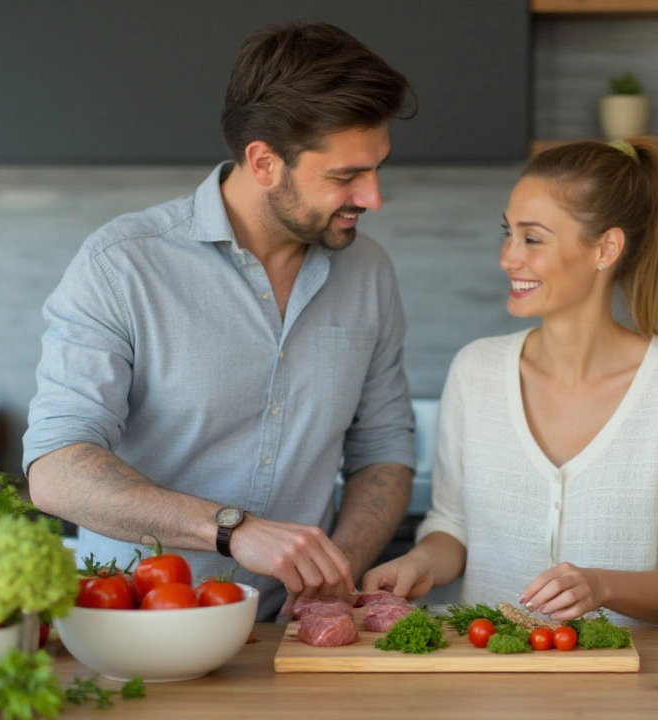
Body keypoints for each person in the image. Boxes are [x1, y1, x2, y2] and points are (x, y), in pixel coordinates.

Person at [23, 22, 418, 621]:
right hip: (140, 623)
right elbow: (57, 470)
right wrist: (233, 529)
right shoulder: (122, 265)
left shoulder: (369, 272)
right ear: (263, 162)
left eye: (376, 168)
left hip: (295, 633)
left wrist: (333, 571)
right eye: (345, 176)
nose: (373, 197)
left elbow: (383, 452)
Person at [361, 139, 658, 625]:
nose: (508, 258)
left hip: (625, 694)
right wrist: (419, 562)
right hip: (488, 685)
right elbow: (452, 527)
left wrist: (601, 587)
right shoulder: (476, 371)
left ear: (606, 248)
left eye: (532, 239)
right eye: (508, 233)